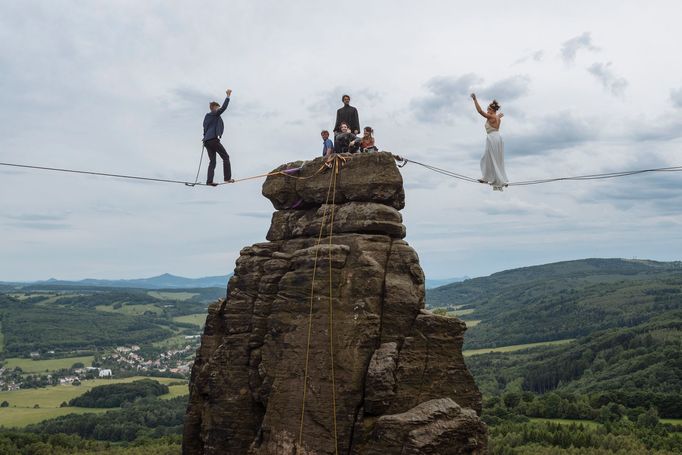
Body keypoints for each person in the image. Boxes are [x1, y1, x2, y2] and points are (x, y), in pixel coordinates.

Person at [471, 93, 508, 191]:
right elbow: (496, 119)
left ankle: (492, 179)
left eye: (489, 109)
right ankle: (495, 179)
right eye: (488, 109)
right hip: (496, 138)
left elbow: (480, 111)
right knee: (491, 159)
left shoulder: (491, 117)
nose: (487, 111)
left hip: (493, 138)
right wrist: (498, 116)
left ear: (493, 110)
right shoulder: (496, 117)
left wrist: (475, 100)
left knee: (489, 159)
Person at [203, 89, 234, 186]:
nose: (218, 109)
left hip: (207, 141)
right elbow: (224, 108)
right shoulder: (214, 113)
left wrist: (205, 140)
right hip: (213, 140)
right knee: (226, 157)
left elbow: (205, 129)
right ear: (213, 108)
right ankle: (227, 178)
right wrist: (228, 96)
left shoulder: (207, 116)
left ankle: (209, 181)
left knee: (212, 161)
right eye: (217, 107)